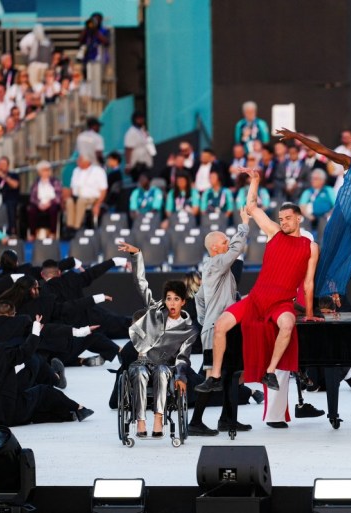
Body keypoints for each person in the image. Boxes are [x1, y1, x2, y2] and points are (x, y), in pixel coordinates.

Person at [197, 169, 321, 429]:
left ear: (299, 218)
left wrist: (308, 312)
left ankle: (270, 371)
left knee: (287, 325)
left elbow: (308, 283)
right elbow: (251, 206)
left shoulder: (310, 247)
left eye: (288, 218)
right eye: (281, 218)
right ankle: (215, 375)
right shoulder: (274, 233)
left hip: (281, 303)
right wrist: (254, 180)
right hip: (256, 298)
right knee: (220, 324)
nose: (284, 222)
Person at [277, 128, 351, 318]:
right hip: (340, 218)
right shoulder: (349, 162)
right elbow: (323, 150)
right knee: (326, 257)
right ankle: (314, 303)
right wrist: (296, 136)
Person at [118, 241, 198, 438]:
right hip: (143, 360)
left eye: (176, 299)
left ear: (183, 302)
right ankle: (141, 421)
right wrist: (137, 254)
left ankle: (158, 419)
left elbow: (183, 357)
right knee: (138, 373)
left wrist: (181, 376)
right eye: (169, 298)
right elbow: (141, 283)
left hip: (166, 365)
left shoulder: (189, 329)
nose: (172, 302)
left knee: (162, 372)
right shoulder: (155, 310)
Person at [188, 208, 250, 436]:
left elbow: (199, 299)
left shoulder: (216, 270)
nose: (227, 244)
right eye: (224, 242)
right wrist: (244, 224)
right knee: (210, 376)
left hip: (224, 327)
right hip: (217, 330)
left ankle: (227, 419)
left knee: (231, 374)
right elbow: (235, 250)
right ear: (215, 248)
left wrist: (206, 322)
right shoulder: (215, 264)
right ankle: (195, 423)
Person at [0, 323, 94, 427]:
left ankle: (67, 415)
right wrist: (36, 330)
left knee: (34, 408)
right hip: (9, 411)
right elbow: (25, 351)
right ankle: (79, 408)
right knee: (43, 391)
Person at [65, 153, 107, 232]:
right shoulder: (76, 171)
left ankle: (77, 227)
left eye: (80, 160)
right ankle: (69, 226)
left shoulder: (98, 171)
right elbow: (71, 187)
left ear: (87, 161)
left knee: (81, 201)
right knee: (69, 202)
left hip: (91, 198)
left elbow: (103, 190)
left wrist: (98, 204)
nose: (78, 162)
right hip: (76, 196)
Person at [27, 160, 63, 240]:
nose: (46, 172)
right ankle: (33, 234)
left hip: (51, 203)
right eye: (44, 170)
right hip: (39, 204)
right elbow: (32, 197)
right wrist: (39, 204)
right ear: (39, 172)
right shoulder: (36, 183)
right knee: (31, 210)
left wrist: (49, 203)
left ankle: (53, 233)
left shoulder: (55, 181)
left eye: (47, 170)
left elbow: (58, 195)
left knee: (53, 209)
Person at [19, 24, 53, 88]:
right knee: (33, 83)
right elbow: (22, 46)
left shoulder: (47, 39)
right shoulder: (30, 37)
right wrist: (27, 57)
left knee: (43, 83)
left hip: (44, 65)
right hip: (33, 64)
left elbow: (50, 51)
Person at [124, 111, 154, 179]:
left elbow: (151, 147)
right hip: (137, 165)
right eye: (139, 119)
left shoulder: (143, 131)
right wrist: (128, 165)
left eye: (142, 118)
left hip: (146, 163)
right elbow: (128, 149)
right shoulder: (131, 132)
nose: (141, 120)